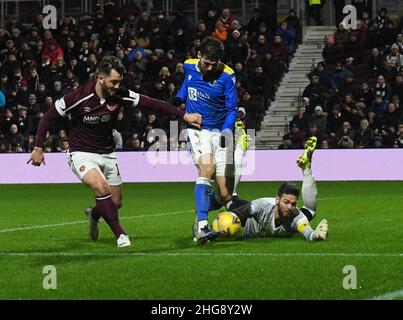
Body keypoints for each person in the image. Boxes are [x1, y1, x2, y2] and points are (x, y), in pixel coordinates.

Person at [27, 56, 202, 248]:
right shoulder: (78, 97)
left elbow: (153, 103)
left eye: (120, 82)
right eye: (114, 82)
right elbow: (47, 118)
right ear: (101, 78)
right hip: (80, 152)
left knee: (115, 203)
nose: (118, 86)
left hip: (107, 153)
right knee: (101, 188)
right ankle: (121, 235)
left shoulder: (120, 95)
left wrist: (184, 115)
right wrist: (38, 147)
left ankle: (93, 215)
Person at [174, 37, 237, 245]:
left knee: (225, 194)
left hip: (219, 131)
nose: (208, 68)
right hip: (197, 129)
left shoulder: (228, 77)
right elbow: (187, 84)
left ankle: (200, 210)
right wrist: (178, 99)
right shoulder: (189, 66)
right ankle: (203, 226)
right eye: (205, 63)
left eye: (213, 64)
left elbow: (231, 109)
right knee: (207, 169)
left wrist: (227, 131)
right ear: (199, 55)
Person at [212, 137, 329, 241]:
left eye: (293, 204)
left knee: (310, 212)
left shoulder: (296, 215)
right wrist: (214, 231)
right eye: (286, 202)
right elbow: (231, 217)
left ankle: (307, 168)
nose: (290, 207)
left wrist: (315, 235)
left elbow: (308, 233)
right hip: (255, 214)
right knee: (229, 199)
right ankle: (240, 149)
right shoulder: (260, 206)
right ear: (277, 200)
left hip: (265, 217)